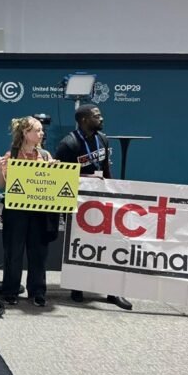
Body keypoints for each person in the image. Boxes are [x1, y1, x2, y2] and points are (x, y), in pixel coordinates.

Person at [55, 103, 133, 311]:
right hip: (78, 203)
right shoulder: (68, 144)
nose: (101, 119)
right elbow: (60, 178)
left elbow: (106, 168)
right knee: (79, 244)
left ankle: (112, 291)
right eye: (97, 116)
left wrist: (113, 193)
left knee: (109, 245)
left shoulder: (103, 139)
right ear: (84, 120)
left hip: (102, 200)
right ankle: (77, 286)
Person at [0, 116, 55, 307]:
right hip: (16, 210)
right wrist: (0, 169)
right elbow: (1, 184)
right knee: (13, 251)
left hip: (39, 211)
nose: (41, 133)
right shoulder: (11, 155)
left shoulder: (45, 155)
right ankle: (10, 290)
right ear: (25, 133)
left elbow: (52, 185)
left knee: (38, 252)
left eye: (41, 130)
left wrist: (55, 171)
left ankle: (37, 291)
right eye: (37, 130)